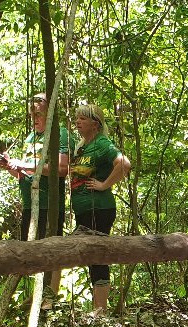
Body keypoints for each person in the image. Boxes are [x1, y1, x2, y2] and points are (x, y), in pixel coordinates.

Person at [68, 103, 131, 314]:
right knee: (91, 257)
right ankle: (98, 309)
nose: (77, 122)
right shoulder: (82, 146)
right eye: (77, 118)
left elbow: (124, 164)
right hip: (84, 210)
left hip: (99, 209)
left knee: (98, 257)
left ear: (95, 124)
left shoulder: (102, 143)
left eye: (83, 119)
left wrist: (104, 185)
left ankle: (100, 310)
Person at [0, 93, 70, 240]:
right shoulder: (31, 137)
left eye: (38, 114)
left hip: (48, 206)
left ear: (49, 113)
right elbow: (23, 173)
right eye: (32, 114)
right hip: (29, 205)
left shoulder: (59, 134)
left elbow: (62, 170)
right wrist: (10, 166)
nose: (34, 118)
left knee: (46, 257)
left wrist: (23, 164)